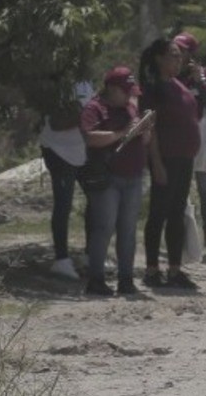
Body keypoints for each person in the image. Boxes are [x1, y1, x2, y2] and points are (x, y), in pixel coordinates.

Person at [80, 67, 154, 296]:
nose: (129, 96)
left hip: (133, 176)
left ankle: (126, 279)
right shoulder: (95, 108)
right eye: (125, 90)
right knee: (104, 228)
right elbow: (90, 138)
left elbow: (144, 142)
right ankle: (96, 279)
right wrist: (122, 133)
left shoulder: (131, 107)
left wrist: (144, 130)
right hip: (107, 177)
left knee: (128, 230)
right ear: (112, 89)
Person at [139, 38, 202, 291]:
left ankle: (175, 269)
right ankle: (152, 269)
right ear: (159, 59)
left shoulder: (178, 85)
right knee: (158, 213)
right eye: (173, 56)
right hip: (166, 158)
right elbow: (150, 128)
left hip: (185, 158)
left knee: (177, 214)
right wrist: (156, 163)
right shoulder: (153, 88)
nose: (179, 60)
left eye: (180, 56)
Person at [39, 80, 95, 280]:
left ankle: (91, 254)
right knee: (64, 204)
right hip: (58, 151)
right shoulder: (60, 87)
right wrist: (86, 115)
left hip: (80, 151)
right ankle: (61, 259)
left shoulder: (87, 83)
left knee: (96, 198)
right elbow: (57, 123)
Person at [174, 32, 206, 256]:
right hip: (179, 135)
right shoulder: (170, 74)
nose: (178, 54)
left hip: (203, 137)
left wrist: (200, 80)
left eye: (182, 50)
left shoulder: (204, 75)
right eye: (175, 49)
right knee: (179, 187)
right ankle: (180, 234)